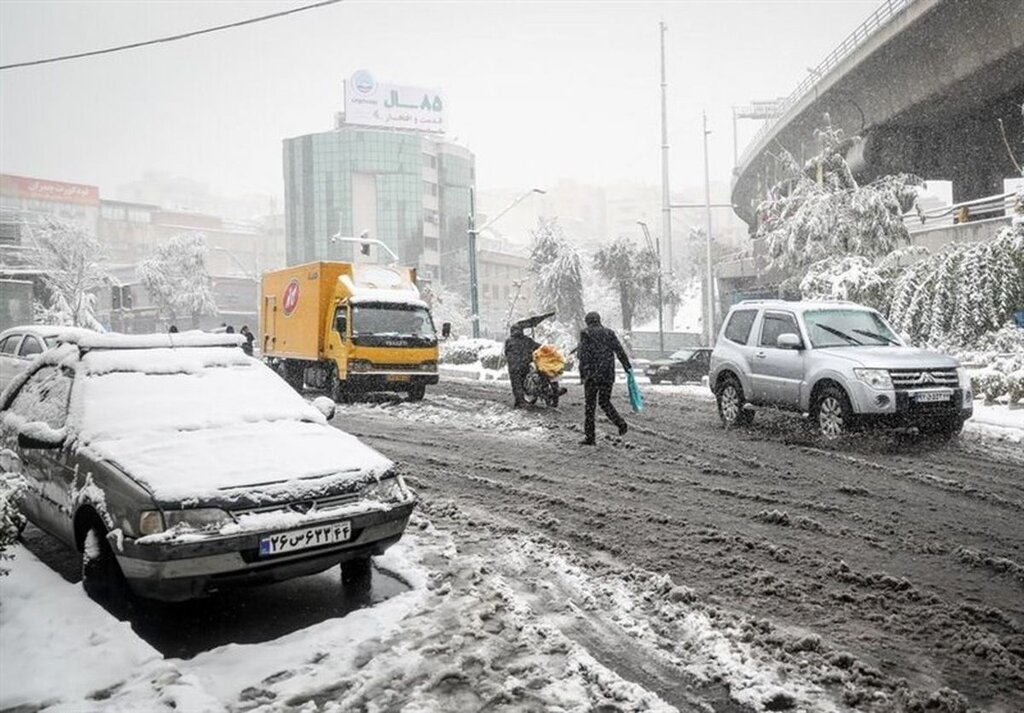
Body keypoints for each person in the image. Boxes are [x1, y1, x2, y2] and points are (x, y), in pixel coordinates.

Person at [577, 311, 631, 445]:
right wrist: (627, 367)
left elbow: (583, 356)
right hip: (607, 374)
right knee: (605, 402)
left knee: (590, 406)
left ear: (588, 321)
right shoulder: (609, 332)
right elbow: (619, 350)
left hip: (592, 375)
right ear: (599, 320)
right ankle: (620, 423)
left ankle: (590, 437)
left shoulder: (586, 333)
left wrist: (582, 374)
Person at [504, 324, 540, 408]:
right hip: (525, 365)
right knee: (524, 382)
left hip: (513, 367)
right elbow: (538, 347)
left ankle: (519, 401)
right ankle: (522, 400)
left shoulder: (509, 341)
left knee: (516, 384)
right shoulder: (527, 340)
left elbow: (506, 352)